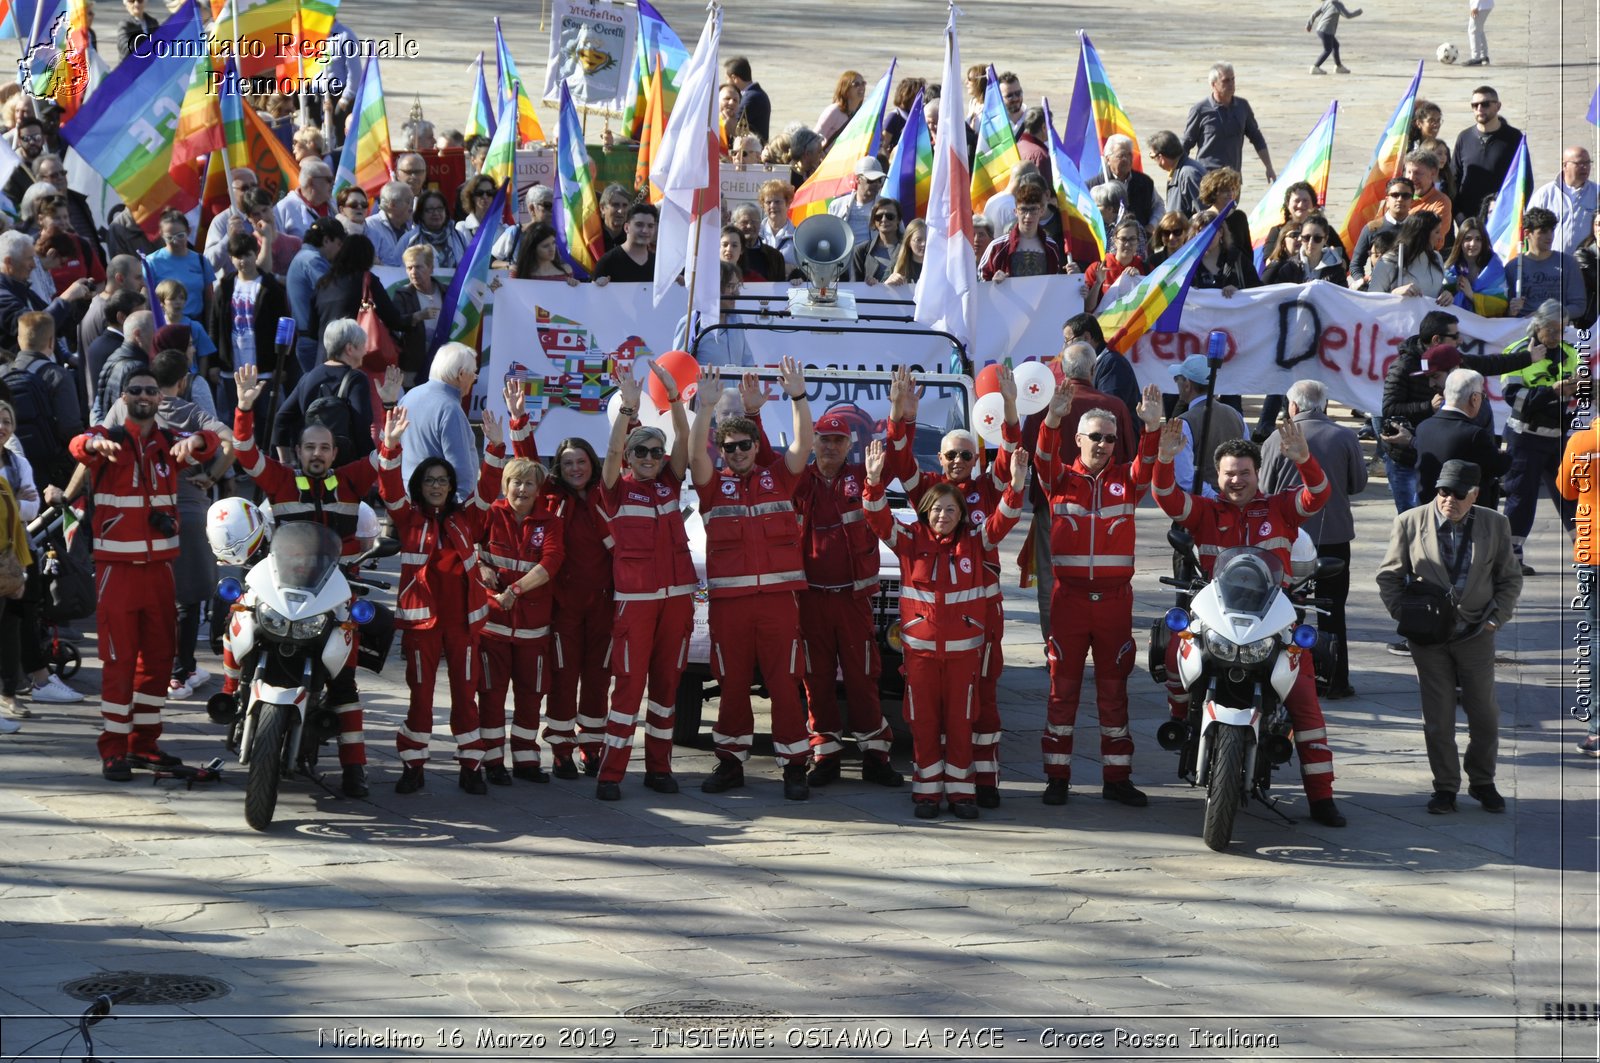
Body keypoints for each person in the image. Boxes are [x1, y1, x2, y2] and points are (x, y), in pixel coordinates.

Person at [1152, 418, 1346, 827]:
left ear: (1258, 474)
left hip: (1274, 622)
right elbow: (1166, 497)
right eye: (1228, 474)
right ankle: (1181, 713)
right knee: (1174, 652)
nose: (1236, 480)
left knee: (1306, 704)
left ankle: (1322, 797)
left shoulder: (1279, 508)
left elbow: (1318, 494)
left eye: (1244, 473)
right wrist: (1164, 460)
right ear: (1216, 476)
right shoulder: (1204, 510)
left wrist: (1305, 459)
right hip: (1217, 621)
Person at [232, 361, 399, 797]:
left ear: (334, 451)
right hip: (285, 588)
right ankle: (234, 694)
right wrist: (244, 408)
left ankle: (354, 768)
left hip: (335, 595)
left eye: (325, 447)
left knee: (344, 681)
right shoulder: (283, 482)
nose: (318, 454)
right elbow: (246, 454)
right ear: (299, 450)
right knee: (238, 618)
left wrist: (391, 406)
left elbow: (386, 455)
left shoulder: (350, 482)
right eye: (310, 447)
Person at [863, 437, 1027, 820]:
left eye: (951, 510)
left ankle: (962, 794)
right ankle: (926, 794)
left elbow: (1004, 520)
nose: (943, 516)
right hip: (920, 656)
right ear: (926, 512)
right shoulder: (908, 541)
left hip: (962, 657)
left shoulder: (974, 542)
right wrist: (872, 481)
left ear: (961, 515)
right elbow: (876, 517)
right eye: (937, 510)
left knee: (959, 724)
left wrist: (1017, 485)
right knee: (923, 724)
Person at [72, 368, 220, 780]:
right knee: (119, 662)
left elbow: (212, 445)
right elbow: (79, 446)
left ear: (160, 398)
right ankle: (113, 749)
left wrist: (197, 438)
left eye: (151, 391)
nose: (143, 396)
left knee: (158, 661)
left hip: (160, 573)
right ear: (124, 396)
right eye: (135, 390)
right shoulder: (109, 438)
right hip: (116, 574)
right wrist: (94, 443)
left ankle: (144, 744)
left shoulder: (167, 443)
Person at [886, 366, 1022, 805]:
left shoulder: (988, 486)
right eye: (951, 456)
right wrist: (901, 415)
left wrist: (1012, 408)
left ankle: (983, 781)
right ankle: (940, 779)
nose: (958, 462)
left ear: (975, 458)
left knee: (983, 697)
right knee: (938, 707)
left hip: (984, 617)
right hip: (936, 625)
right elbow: (899, 458)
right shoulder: (927, 492)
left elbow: (1013, 460)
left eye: (966, 455)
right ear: (940, 460)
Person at [1035, 378, 1164, 805]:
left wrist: (1151, 427)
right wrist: (1052, 416)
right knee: (1062, 691)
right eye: (1096, 437)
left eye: (1110, 438)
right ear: (1079, 439)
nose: (1104, 444)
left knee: (1114, 693)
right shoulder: (1057, 479)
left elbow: (1148, 463)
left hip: (1113, 605)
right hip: (1069, 602)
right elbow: (1042, 455)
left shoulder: (1126, 481)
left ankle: (1117, 778)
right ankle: (1057, 777)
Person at [690, 360, 815, 799]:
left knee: (785, 683)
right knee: (733, 685)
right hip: (730, 606)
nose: (739, 452)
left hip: (778, 603)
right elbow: (693, 457)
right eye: (730, 447)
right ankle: (729, 762)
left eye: (745, 445)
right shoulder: (710, 485)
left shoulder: (778, 478)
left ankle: (795, 766)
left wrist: (799, 397)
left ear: (756, 445)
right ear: (721, 450)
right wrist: (705, 409)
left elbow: (803, 443)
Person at [1376, 459, 1522, 812]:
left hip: (1475, 633)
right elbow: (1389, 576)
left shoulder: (1494, 523)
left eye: (1458, 493)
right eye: (1443, 491)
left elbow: (1510, 579)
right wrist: (1408, 617)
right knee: (1438, 720)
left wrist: (1494, 620)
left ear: (1474, 494)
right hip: (1429, 639)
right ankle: (1445, 787)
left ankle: (1483, 781)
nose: (1449, 500)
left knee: (1484, 714)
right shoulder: (1410, 522)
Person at [378, 405, 506, 795]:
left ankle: (471, 766)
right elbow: (389, 487)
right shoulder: (408, 517)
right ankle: (413, 766)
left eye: (444, 480)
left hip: (463, 624)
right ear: (421, 485)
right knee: (421, 697)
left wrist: (496, 446)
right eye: (430, 480)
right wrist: (391, 444)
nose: (437, 485)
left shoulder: (466, 518)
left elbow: (487, 490)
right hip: (423, 624)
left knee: (466, 697)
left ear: (452, 486)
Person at [101, 350, 233, 700]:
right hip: (187, 512)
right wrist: (212, 475)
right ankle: (180, 671)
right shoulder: (193, 413)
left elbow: (99, 443)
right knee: (187, 600)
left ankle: (144, 670)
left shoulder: (125, 406)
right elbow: (232, 440)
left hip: (134, 516)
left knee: (145, 597)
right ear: (183, 381)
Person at [790, 397, 904, 791]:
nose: (830, 447)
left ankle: (876, 756)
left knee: (863, 677)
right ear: (814, 441)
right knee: (815, 679)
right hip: (810, 600)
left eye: (838, 440)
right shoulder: (798, 480)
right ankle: (825, 755)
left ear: (850, 443)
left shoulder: (864, 474)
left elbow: (896, 458)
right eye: (824, 439)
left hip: (852, 601)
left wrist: (900, 414)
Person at [593, 363, 693, 800]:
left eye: (656, 451)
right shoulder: (616, 488)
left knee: (667, 688)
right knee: (629, 687)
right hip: (635, 604)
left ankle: (658, 768)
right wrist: (629, 407)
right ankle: (611, 774)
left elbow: (685, 442)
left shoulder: (671, 483)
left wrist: (674, 400)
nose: (650, 458)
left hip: (678, 602)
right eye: (642, 453)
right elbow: (611, 455)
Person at [1259, 379, 1366, 699]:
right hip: (1334, 536)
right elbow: (1358, 483)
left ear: (1292, 406)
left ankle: (1288, 677)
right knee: (1333, 610)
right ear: (1325, 405)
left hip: (1288, 539)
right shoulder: (1345, 436)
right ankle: (1336, 680)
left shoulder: (1276, 439)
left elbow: (1264, 491)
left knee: (1287, 610)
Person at [0, 399, 81, 712]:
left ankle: (17, 691)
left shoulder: (17, 463)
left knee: (17, 622)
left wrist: (10, 500)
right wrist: (12, 498)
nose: (3, 427)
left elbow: (32, 507)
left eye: (7, 421)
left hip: (16, 553)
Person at [545, 434, 613, 778]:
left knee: (598, 680)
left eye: (581, 461)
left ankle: (592, 748)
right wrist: (518, 424)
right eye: (568, 462)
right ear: (559, 467)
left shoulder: (607, 496)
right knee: (563, 679)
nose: (575, 468)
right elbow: (526, 461)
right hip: (565, 608)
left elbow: (623, 453)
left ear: (593, 464)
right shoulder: (551, 499)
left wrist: (630, 417)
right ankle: (561, 751)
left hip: (604, 607)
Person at [1500, 301, 1582, 574]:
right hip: (1525, 438)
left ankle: (1587, 551)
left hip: (1559, 438)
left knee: (1572, 494)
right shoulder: (1516, 354)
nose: (1558, 336)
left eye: (1562, 330)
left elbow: (1579, 393)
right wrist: (1553, 392)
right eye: (1552, 330)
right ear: (1538, 325)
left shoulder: (1570, 353)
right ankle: (1511, 558)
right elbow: (1515, 399)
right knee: (1521, 497)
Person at [271, 318, 381, 461]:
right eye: (362, 346)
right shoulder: (356, 379)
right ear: (349, 349)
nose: (365, 352)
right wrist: (370, 464)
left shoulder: (307, 377)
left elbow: (281, 418)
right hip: (345, 467)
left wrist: (285, 461)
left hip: (312, 464)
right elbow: (362, 427)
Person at [212, 232, 292, 416]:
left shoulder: (271, 287)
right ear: (231, 258)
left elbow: (285, 327)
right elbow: (214, 325)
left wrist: (283, 365)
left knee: (267, 419)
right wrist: (213, 363)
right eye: (238, 256)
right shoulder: (224, 287)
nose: (243, 261)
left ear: (256, 254)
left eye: (247, 255)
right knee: (230, 418)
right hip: (231, 368)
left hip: (265, 369)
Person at [1558, 418, 1600, 756]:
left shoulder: (1583, 442)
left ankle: (1597, 730)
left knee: (1597, 636)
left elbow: (1567, 490)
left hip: (1593, 550)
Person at [6, 311, 84, 489]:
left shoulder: (4, 374)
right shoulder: (57, 375)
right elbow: (70, 428)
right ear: (51, 341)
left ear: (19, 339)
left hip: (14, 468)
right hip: (53, 472)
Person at [1412, 368, 1508, 507]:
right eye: (1482, 396)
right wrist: (1504, 456)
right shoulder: (1474, 434)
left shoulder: (1423, 427)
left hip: (1429, 510)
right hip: (1464, 514)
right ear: (1474, 398)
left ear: (1445, 393)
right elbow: (1497, 467)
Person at [398, 341, 478, 504]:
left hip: (408, 499)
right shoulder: (450, 409)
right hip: (439, 506)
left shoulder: (409, 397)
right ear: (461, 374)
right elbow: (460, 469)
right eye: (473, 374)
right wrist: (463, 508)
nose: (474, 380)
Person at [310, 234, 403, 363]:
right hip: (355, 360)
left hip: (324, 359)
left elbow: (312, 329)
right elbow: (393, 319)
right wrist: (414, 319)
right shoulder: (367, 281)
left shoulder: (323, 283)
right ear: (367, 256)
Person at [1181, 63, 1275, 181]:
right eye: (1225, 81)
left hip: (1233, 180)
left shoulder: (1242, 106)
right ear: (1213, 84)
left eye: (1233, 79)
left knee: (1232, 200)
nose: (1231, 84)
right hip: (1208, 179)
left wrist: (1269, 167)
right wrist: (1178, 172)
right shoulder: (1200, 110)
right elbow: (1186, 143)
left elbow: (1257, 138)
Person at [1451, 86, 1522, 220]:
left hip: (1502, 218)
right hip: (1469, 221)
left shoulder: (1514, 137)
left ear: (1498, 106)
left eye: (1485, 104)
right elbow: (1453, 179)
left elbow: (1524, 179)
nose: (1479, 109)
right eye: (1475, 105)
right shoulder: (1464, 137)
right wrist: (1458, 216)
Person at [284, 217, 345, 374]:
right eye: (339, 244)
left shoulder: (303, 257)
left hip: (307, 338)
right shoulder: (313, 261)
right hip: (313, 341)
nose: (340, 251)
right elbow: (336, 293)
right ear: (326, 241)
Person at [1506, 208, 1585, 320]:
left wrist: (1548, 316)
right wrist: (1511, 311)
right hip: (1522, 331)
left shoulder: (1568, 263)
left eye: (1551, 230)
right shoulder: (1513, 267)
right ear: (1527, 233)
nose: (1549, 236)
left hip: (1558, 330)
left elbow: (1579, 306)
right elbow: (1502, 310)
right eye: (1543, 231)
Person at [979, 183, 1062, 280]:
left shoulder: (1051, 247)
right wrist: (993, 283)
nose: (1028, 216)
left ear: (1041, 211)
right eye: (1023, 209)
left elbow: (1056, 284)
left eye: (1033, 210)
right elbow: (980, 280)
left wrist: (1074, 276)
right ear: (1015, 212)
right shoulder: (997, 247)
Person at [1529, 147, 1597, 257]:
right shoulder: (1545, 194)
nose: (1585, 167)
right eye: (1579, 163)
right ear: (1564, 165)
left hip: (1586, 265)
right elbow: (1529, 227)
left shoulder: (1597, 193)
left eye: (1588, 163)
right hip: (1552, 265)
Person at [1348, 178, 1415, 289]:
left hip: (1411, 290)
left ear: (1412, 201)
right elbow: (1356, 263)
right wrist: (1361, 281)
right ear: (1387, 200)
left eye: (1406, 196)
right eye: (1395, 195)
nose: (1400, 199)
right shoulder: (1372, 228)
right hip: (1379, 289)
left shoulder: (1418, 229)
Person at [1367, 213, 1449, 302]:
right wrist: (1394, 294)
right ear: (1422, 234)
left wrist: (1446, 296)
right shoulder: (1388, 261)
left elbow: (1436, 291)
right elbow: (1372, 301)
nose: (1440, 237)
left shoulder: (1437, 258)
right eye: (1436, 232)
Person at [391, 244, 442, 386]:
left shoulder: (447, 293)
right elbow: (395, 323)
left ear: (431, 268)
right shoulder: (402, 295)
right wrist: (417, 316)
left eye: (418, 267)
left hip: (441, 366)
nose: (413, 272)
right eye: (409, 268)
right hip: (412, 369)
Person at [1444, 216, 1506, 314]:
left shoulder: (1495, 269)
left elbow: (1502, 305)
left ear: (1484, 242)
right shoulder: (1450, 269)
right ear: (1460, 241)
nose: (1473, 244)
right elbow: (1438, 293)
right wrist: (1453, 291)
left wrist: (1471, 295)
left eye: (1478, 239)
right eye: (1468, 239)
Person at [1081, 220, 1144, 313]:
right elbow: (1088, 308)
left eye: (1132, 239)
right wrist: (1098, 283)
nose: (1127, 244)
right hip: (1102, 325)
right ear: (1115, 240)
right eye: (1123, 239)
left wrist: (1140, 280)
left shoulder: (1146, 268)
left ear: (1138, 241)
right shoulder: (1096, 268)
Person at [405, 189, 468, 272]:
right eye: (430, 209)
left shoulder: (459, 237)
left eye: (440, 208)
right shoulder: (409, 239)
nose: (436, 213)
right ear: (421, 214)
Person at [828, 157, 885, 248]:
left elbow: (899, 237)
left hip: (873, 259)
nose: (876, 184)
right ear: (857, 179)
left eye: (879, 180)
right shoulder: (837, 206)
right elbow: (829, 236)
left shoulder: (887, 206)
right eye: (871, 180)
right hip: (844, 259)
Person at [592, 203, 657, 284]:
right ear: (626, 228)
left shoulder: (659, 265)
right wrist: (596, 286)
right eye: (639, 225)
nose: (645, 230)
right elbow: (593, 294)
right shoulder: (608, 262)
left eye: (650, 226)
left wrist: (676, 282)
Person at [1149, 130, 1206, 219]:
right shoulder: (1178, 171)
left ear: (1161, 157)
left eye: (1152, 157)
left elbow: (1205, 215)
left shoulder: (1189, 174)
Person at [274, 159, 335, 238]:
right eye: (329, 180)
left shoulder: (335, 204)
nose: (333, 184)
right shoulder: (283, 209)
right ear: (311, 181)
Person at [365, 181, 417, 268]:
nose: (412, 208)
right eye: (409, 202)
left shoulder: (412, 229)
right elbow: (373, 263)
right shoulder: (371, 226)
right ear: (392, 204)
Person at [850, 199, 902, 284]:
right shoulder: (861, 251)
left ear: (898, 219)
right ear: (874, 221)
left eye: (890, 216)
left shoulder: (910, 248)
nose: (884, 219)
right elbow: (855, 287)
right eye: (879, 217)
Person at [1306, 0, 1361, 74]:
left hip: (1320, 29)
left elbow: (1314, 13)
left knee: (1335, 45)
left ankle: (1338, 67)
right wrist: (1359, 11)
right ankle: (1315, 67)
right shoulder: (1337, 4)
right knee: (1328, 50)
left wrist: (1309, 24)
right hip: (1326, 31)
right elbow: (1348, 15)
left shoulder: (1327, 2)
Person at [816, 70, 865, 151]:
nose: (862, 87)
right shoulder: (834, 111)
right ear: (846, 89)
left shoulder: (860, 114)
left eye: (863, 83)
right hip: (827, 160)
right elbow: (816, 137)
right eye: (856, 84)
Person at [757, 179, 797, 269]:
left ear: (787, 203)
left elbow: (808, 269)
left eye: (777, 202)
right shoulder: (756, 235)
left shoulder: (798, 236)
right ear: (763, 206)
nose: (772, 206)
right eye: (768, 202)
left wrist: (795, 270)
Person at [883, 219, 926, 287]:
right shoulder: (897, 266)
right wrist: (887, 284)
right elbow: (881, 292)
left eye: (928, 239)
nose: (924, 244)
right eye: (918, 240)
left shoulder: (940, 267)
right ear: (908, 242)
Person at [1464, 0, 1494, 65]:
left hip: (1480, 6)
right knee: (1479, 30)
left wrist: (1475, 6)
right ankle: (1484, 57)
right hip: (1484, 5)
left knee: (1473, 31)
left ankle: (1476, 58)